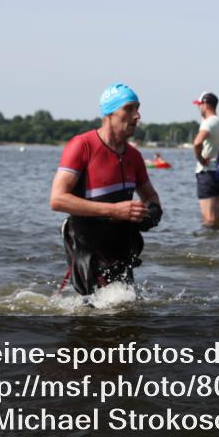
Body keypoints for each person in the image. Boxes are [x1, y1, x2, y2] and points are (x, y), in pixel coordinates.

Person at [49, 83, 163, 303]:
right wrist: (114, 210)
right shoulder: (82, 146)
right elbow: (57, 199)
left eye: (138, 108)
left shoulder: (134, 156)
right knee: (95, 314)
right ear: (109, 113)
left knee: (125, 309)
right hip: (88, 247)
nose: (137, 115)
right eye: (128, 108)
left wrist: (152, 213)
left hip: (122, 249)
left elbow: (151, 196)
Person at [192, 92, 219, 228]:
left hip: (207, 173)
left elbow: (197, 142)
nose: (198, 107)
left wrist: (201, 159)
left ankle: (208, 241)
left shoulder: (208, 123)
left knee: (209, 220)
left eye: (199, 104)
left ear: (205, 105)